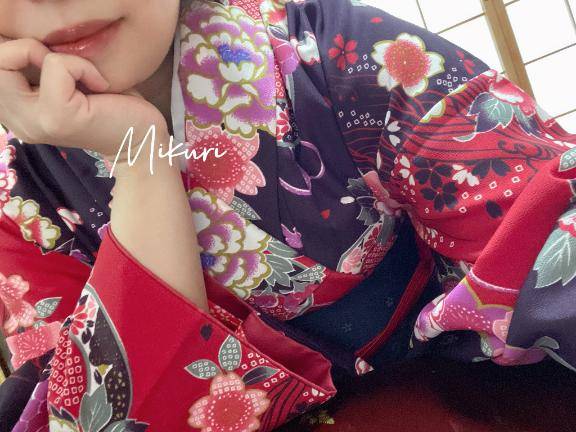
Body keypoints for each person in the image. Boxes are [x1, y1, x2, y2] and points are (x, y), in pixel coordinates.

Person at [1, 0, 575, 430]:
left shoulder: (341, 54)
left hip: (475, 396)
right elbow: (103, 415)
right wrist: (141, 163)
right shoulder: (18, 206)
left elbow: (546, 237)